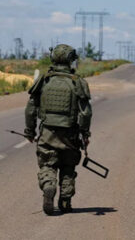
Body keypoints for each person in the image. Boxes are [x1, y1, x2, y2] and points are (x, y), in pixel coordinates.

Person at [24, 44, 92, 215]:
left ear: (53, 58)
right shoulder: (78, 82)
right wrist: (85, 133)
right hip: (70, 133)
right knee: (68, 167)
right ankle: (65, 201)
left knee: (47, 163)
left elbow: (31, 108)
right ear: (71, 60)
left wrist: (30, 131)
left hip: (47, 132)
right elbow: (85, 113)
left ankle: (49, 185)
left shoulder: (44, 80)